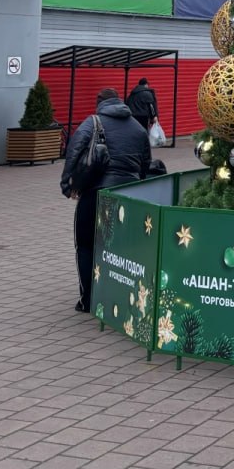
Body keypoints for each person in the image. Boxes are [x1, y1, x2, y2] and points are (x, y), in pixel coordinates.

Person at [61, 87, 151, 312]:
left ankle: (88, 300)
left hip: (96, 194)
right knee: (122, 248)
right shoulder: (138, 128)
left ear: (99, 102)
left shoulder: (92, 122)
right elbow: (145, 163)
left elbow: (73, 151)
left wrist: (67, 185)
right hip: (128, 196)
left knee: (85, 245)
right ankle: (119, 298)